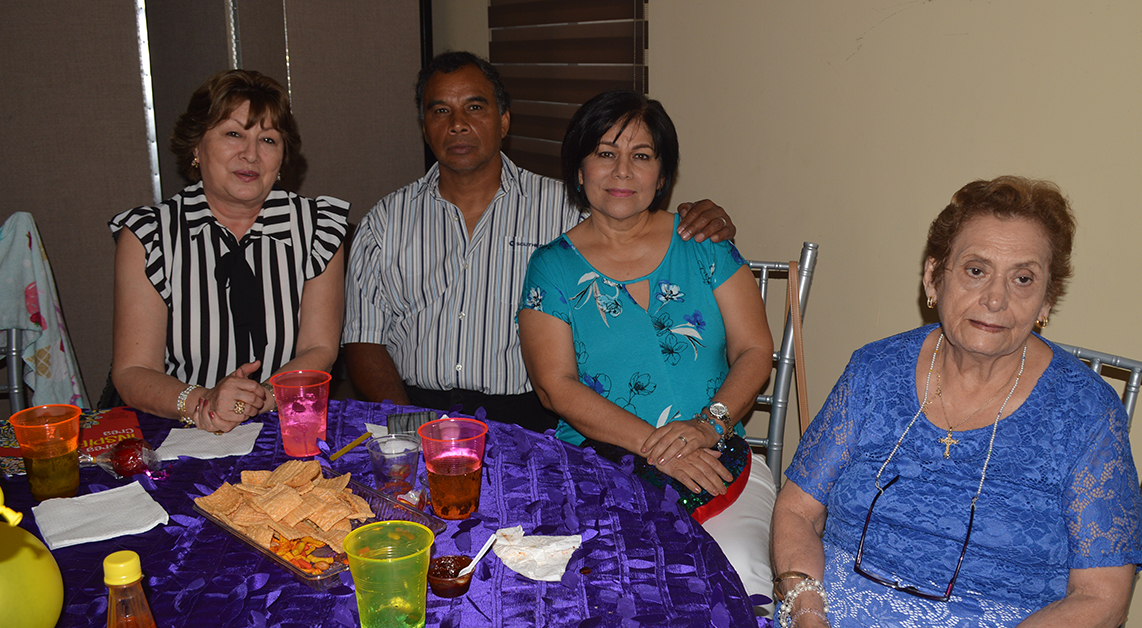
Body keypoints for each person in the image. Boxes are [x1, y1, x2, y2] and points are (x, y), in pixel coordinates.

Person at [770, 176, 1142, 627]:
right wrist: (808, 610)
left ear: (1047, 300)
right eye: (975, 270)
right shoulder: (875, 370)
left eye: (1023, 279)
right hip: (833, 610)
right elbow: (795, 510)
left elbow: (1102, 598)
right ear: (934, 277)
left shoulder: (1088, 414)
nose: (994, 298)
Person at [342, 51, 736, 432]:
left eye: (475, 108)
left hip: (531, 417)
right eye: (440, 110)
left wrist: (701, 219)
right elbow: (363, 337)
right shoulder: (385, 221)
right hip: (415, 408)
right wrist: (404, 421)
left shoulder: (567, 209)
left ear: (504, 120)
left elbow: (632, 221)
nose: (457, 124)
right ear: (424, 125)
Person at [517, 90, 778, 601]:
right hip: (596, 468)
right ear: (579, 169)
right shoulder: (552, 268)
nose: (622, 171)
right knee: (605, 588)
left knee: (740, 575)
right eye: (605, 152)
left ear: (662, 176)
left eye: (641, 156)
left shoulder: (705, 245)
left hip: (717, 456)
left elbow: (754, 349)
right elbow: (555, 387)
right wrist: (657, 449)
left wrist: (706, 426)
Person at [110, 70, 348, 433]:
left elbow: (318, 349)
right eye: (233, 134)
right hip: (181, 429)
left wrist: (259, 398)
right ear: (195, 146)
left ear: (283, 157)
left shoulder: (319, 229)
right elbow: (132, 371)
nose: (250, 154)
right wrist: (203, 403)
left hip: (285, 422)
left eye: (268, 140)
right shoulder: (149, 235)